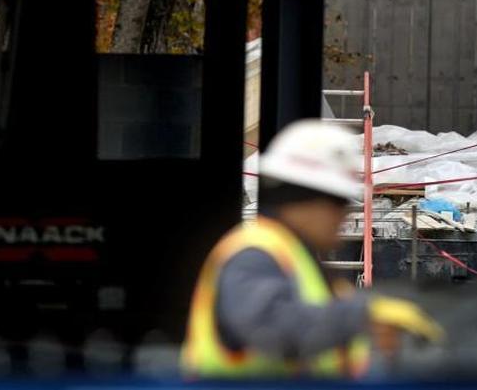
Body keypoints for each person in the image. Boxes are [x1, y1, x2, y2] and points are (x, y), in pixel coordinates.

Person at [181, 120, 442, 378]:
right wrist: (359, 315)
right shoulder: (253, 254)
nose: (344, 217)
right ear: (304, 200)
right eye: (338, 203)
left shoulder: (300, 260)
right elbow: (268, 327)